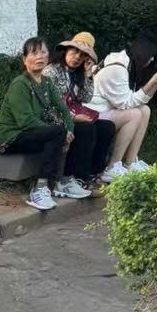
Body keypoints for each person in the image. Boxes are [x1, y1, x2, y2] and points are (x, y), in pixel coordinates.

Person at [0, 36, 92, 210]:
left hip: (32, 132)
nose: (39, 56)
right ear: (25, 60)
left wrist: (69, 130)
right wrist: (61, 131)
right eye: (34, 53)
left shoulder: (46, 82)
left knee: (76, 129)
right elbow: (25, 121)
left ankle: (63, 181)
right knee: (56, 132)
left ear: (48, 57)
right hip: (11, 136)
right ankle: (40, 189)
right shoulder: (20, 84)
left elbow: (63, 110)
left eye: (43, 52)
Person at [93, 37, 157, 178]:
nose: (150, 61)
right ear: (141, 54)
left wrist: (155, 85)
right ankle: (113, 166)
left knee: (145, 110)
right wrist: (152, 81)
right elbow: (127, 104)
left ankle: (130, 162)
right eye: (150, 57)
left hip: (108, 110)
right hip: (95, 112)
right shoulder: (117, 68)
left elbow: (139, 101)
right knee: (135, 114)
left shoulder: (129, 65)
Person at [46, 32, 116, 192]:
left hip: (71, 114)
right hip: (54, 118)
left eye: (83, 55)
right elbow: (49, 104)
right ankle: (74, 177)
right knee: (86, 128)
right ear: (66, 50)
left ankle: (93, 173)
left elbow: (86, 97)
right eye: (74, 51)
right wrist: (74, 118)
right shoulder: (52, 71)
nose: (77, 57)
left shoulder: (77, 74)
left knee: (107, 127)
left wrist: (87, 73)